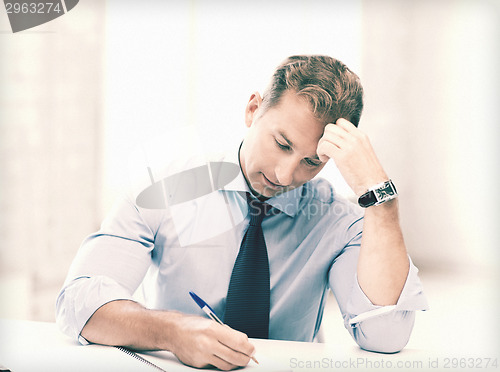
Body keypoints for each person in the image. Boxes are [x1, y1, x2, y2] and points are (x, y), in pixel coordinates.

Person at [56, 55, 428, 370]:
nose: (285, 176)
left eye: (312, 162)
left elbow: (385, 336)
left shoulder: (339, 222)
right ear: (253, 109)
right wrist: (170, 332)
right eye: (282, 144)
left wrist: (381, 197)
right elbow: (78, 303)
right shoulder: (166, 187)